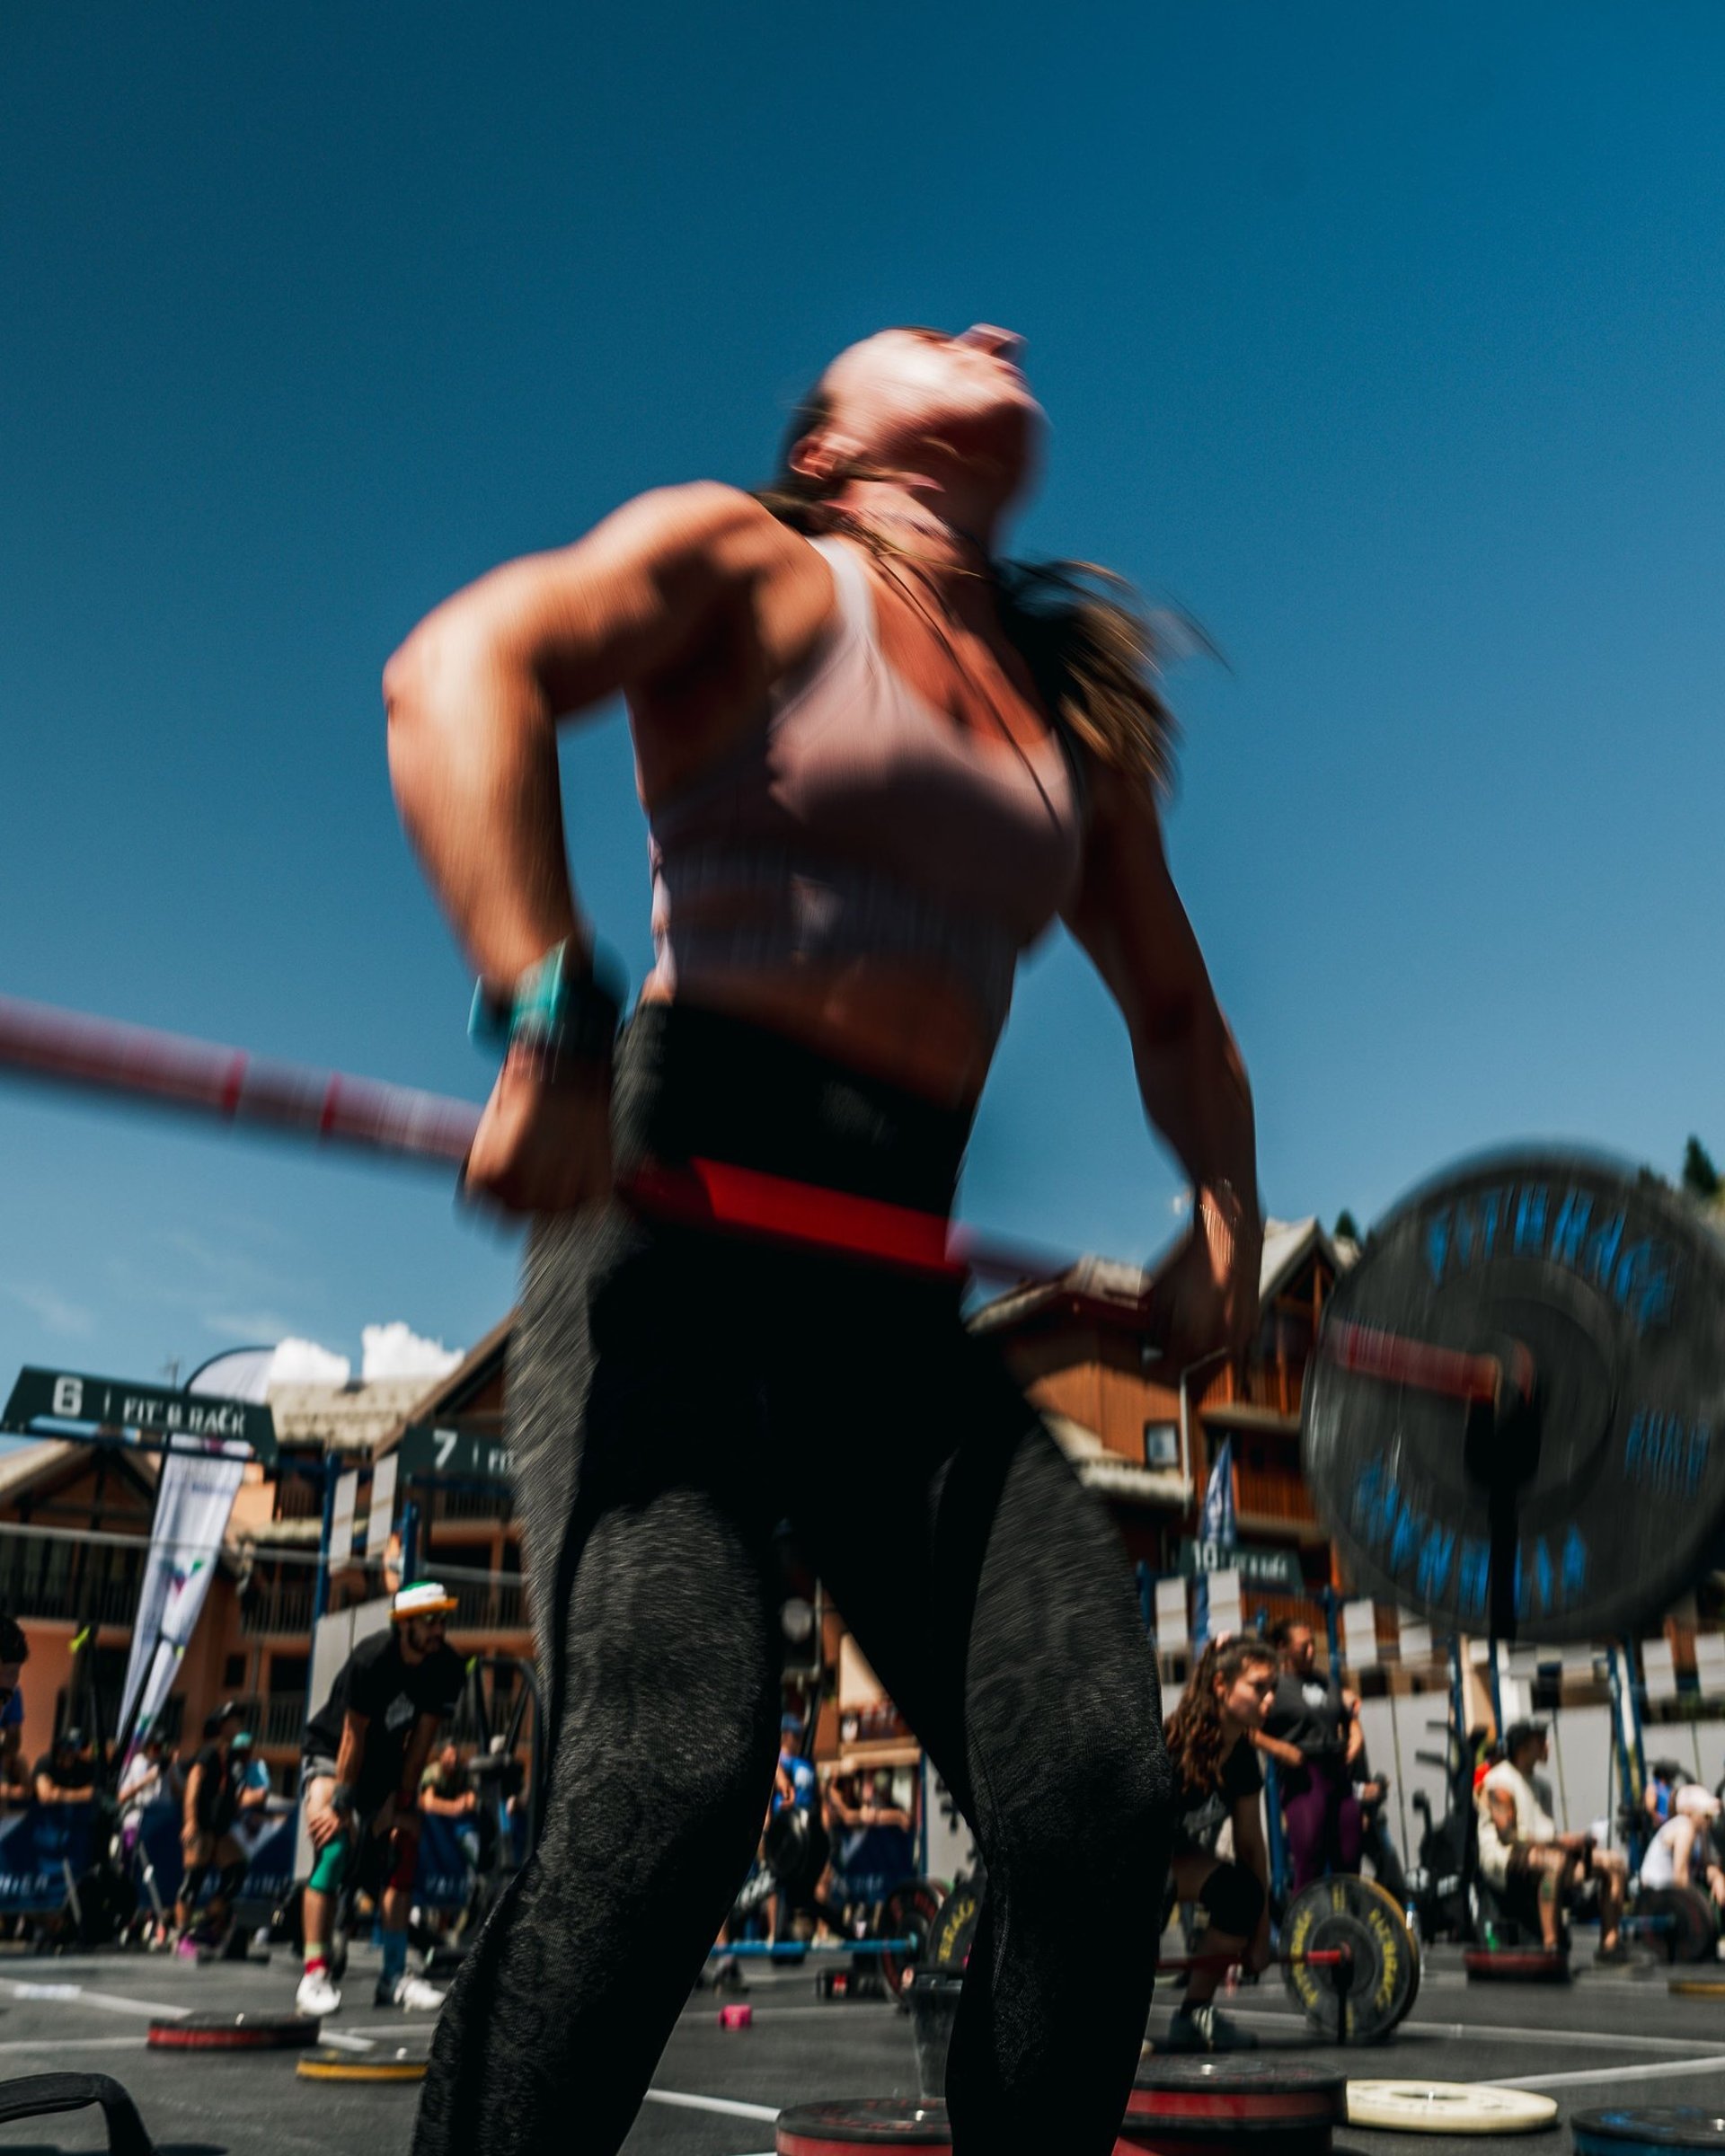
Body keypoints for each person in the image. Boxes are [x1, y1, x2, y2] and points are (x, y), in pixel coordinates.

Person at [385, 321, 1261, 2156]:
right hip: (678, 1212)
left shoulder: (1064, 726)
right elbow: (461, 667)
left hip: (887, 1285)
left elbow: (1172, 1010)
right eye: (935, 335)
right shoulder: (756, 567)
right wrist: (543, 1011)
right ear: (833, 444)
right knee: (672, 1773)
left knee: (1098, 1796)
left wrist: (1227, 1212)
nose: (996, 334)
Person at [296, 1582, 465, 2018]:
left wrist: (403, 1804)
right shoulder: (372, 1659)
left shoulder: (446, 1667)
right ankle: (314, 1974)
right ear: (403, 1623)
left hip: (384, 1768)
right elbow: (351, 1738)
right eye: (429, 1619)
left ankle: (393, 1977)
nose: (438, 1628)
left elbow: (420, 1745)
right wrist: (343, 1806)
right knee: (333, 1842)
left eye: (442, 1618)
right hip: (334, 1756)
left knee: (405, 1840)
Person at [1159, 1635, 1278, 2052]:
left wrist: (1262, 1934)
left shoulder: (1243, 1757)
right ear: (1221, 1686)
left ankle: (1195, 2013)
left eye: (1272, 1689)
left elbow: (1251, 1846)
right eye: (1259, 1687)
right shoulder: (1173, 1743)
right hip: (1122, 1861)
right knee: (1154, 1896)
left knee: (1241, 1894)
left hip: (1172, 1860)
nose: (1269, 1700)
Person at [1476, 1719, 1627, 1960]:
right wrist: (1560, 1843)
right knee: (1553, 1862)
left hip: (1540, 1854)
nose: (1547, 1745)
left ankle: (1610, 1944)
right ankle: (1550, 1946)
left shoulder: (1542, 1786)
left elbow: (1548, 1835)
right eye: (1540, 1740)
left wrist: (1578, 1842)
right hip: (1503, 1859)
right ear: (1524, 1746)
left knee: (1613, 1863)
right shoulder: (1499, 1781)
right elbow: (1507, 1836)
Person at [1258, 1621, 1363, 1890]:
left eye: (1313, 1644)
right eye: (1303, 1645)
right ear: (1283, 1648)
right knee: (1310, 1862)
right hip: (1304, 1778)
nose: (1311, 1650)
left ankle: (1343, 1926)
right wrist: (1279, 1748)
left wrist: (1355, 1731)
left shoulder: (1324, 1680)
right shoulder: (1274, 1687)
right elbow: (1249, 1730)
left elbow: (1345, 1712)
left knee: (1350, 1853)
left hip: (1337, 1774)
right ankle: (1303, 1927)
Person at [174, 1704, 247, 1953]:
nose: (239, 1723)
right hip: (202, 1824)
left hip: (220, 1827)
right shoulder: (208, 1752)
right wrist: (191, 1821)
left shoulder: (233, 1757)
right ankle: (181, 1936)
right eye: (233, 1719)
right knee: (194, 1878)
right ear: (222, 1724)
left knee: (237, 1870)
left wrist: (236, 1807)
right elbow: (193, 1784)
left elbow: (231, 1790)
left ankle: (207, 1922)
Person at [1639, 1783, 1725, 1913]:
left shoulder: (1700, 1832)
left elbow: (1706, 1865)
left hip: (1672, 1897)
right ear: (1688, 1812)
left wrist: (1717, 1877)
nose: (1710, 1821)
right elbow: (1680, 1879)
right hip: (1657, 1899)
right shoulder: (1684, 1826)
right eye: (1706, 1815)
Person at [0, 1612, 30, 1806]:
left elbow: (13, 1741)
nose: (14, 1681)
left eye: (17, 1673)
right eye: (11, 1672)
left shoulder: (13, 1693)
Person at [33, 1727, 96, 1806]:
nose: (73, 1752)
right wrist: (81, 1794)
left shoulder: (83, 1765)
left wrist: (62, 1794)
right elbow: (46, 1797)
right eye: (69, 1746)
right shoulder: (46, 1762)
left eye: (79, 1747)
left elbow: (94, 1793)